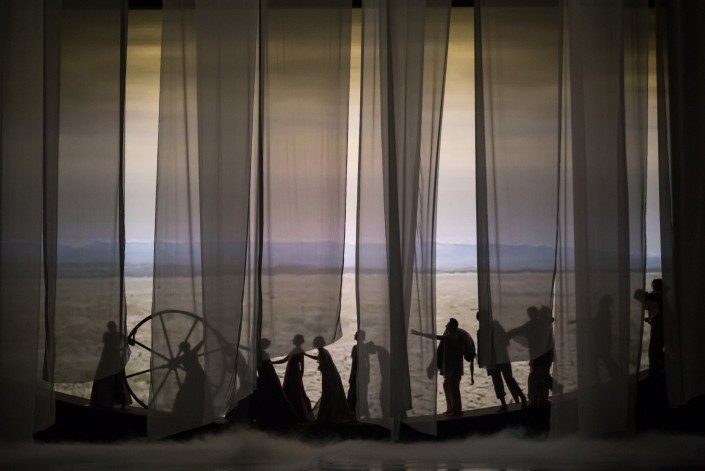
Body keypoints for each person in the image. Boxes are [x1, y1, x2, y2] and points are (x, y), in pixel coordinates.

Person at [411, 318, 465, 416]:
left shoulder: (451, 336)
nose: (446, 325)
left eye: (448, 324)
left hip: (453, 368)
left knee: (453, 388)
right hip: (452, 367)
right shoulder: (453, 336)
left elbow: (435, 337)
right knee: (448, 386)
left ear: (451, 327)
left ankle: (456, 409)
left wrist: (420, 333)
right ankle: (451, 408)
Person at [476, 310, 526, 412]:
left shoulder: (482, 330)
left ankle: (507, 403)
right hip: (500, 355)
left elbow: (481, 347)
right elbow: (505, 339)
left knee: (498, 380)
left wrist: (482, 360)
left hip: (493, 357)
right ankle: (521, 397)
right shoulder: (493, 325)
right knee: (506, 378)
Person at [272, 334, 315, 422]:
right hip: (290, 373)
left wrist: (300, 378)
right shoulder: (292, 350)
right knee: (289, 390)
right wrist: (272, 363)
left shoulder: (300, 351)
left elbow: (302, 366)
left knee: (297, 392)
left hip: (295, 374)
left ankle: (300, 413)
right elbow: (284, 360)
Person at [90, 321, 132, 409]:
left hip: (106, 358)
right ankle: (119, 400)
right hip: (112, 358)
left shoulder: (107, 335)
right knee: (117, 376)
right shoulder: (116, 334)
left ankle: (104, 399)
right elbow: (130, 342)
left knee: (107, 376)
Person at [311, 336, 351, 423]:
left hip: (329, 375)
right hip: (331, 374)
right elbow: (318, 358)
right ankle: (330, 414)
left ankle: (328, 415)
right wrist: (306, 355)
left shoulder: (322, 352)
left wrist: (320, 367)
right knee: (331, 393)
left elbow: (324, 363)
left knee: (328, 393)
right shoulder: (323, 351)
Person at [634, 278, 664, 377]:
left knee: (655, 350)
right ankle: (658, 370)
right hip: (657, 326)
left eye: (654, 286)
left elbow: (646, 297)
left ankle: (656, 372)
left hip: (659, 328)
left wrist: (641, 294)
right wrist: (651, 318)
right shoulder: (659, 296)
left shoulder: (659, 295)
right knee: (656, 350)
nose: (653, 288)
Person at [347, 330, 374, 419]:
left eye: (356, 334)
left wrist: (352, 376)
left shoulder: (357, 348)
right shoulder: (360, 347)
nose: (354, 335)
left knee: (355, 393)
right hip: (360, 373)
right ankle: (360, 412)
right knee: (359, 393)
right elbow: (366, 363)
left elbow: (357, 364)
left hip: (358, 373)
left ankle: (353, 412)